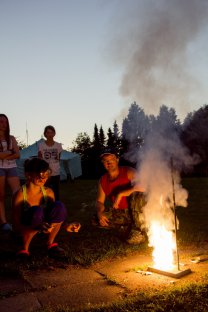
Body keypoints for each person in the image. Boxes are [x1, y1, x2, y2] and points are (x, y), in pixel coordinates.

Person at [12, 157, 80, 259]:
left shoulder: (48, 192)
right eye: (40, 174)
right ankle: (24, 248)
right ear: (28, 175)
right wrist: (30, 228)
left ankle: (50, 244)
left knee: (59, 205)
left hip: (44, 227)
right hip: (27, 228)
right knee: (37, 211)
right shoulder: (21, 194)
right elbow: (16, 222)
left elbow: (55, 214)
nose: (43, 178)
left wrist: (66, 225)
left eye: (46, 174)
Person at [94, 147, 146, 244]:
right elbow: (99, 202)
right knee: (96, 219)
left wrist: (121, 194)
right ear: (103, 163)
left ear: (117, 160)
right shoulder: (102, 180)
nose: (109, 163)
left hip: (139, 211)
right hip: (122, 212)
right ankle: (126, 227)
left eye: (111, 159)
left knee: (138, 194)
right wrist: (99, 213)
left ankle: (140, 229)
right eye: (105, 161)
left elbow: (145, 187)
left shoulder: (128, 172)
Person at [0, 114, 20, 232]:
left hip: (12, 167)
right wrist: (10, 152)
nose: (3, 124)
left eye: (5, 122)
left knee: (17, 194)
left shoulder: (11, 138)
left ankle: (17, 220)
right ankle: (4, 222)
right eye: (1, 121)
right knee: (1, 195)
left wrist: (5, 155)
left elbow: (18, 154)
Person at [38, 125, 63, 200]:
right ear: (45, 134)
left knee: (56, 191)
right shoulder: (41, 145)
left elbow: (59, 158)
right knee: (45, 191)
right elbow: (40, 159)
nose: (50, 134)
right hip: (45, 172)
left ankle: (57, 208)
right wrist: (45, 169)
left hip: (56, 172)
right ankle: (46, 207)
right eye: (48, 132)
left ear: (54, 134)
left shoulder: (58, 145)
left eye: (51, 132)